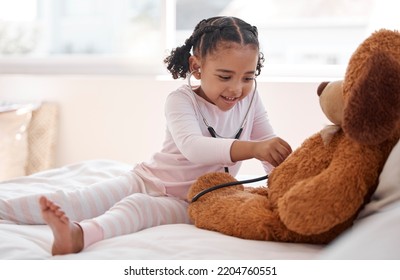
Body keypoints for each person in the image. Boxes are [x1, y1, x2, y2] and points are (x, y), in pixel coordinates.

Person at [1, 16, 292, 255]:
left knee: (136, 209)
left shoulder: (251, 100)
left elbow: (270, 153)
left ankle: (77, 235)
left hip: (192, 200)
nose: (237, 89)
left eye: (248, 77)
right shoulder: (181, 100)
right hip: (147, 178)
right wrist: (254, 148)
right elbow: (194, 147)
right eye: (225, 77)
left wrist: (283, 186)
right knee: (78, 200)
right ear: (197, 67)